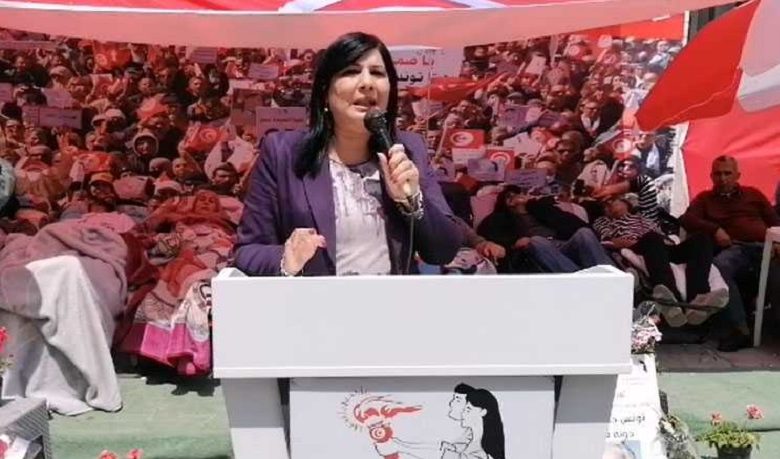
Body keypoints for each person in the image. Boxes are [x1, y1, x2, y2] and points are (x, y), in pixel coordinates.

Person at [234, 32, 461, 276]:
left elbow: (443, 252)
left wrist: (412, 201)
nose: (367, 83)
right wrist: (286, 258)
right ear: (325, 91)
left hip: (393, 299)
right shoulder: (283, 153)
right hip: (313, 299)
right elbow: (247, 251)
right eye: (351, 72)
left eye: (377, 73)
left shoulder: (408, 150)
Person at [680, 156, 780, 351]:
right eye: (718, 174)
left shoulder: (753, 194)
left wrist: (777, 241)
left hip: (766, 246)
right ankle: (740, 329)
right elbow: (686, 219)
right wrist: (715, 229)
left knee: (776, 272)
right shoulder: (705, 199)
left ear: (737, 175)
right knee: (720, 266)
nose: (723, 178)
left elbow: (774, 221)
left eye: (727, 173)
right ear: (711, 176)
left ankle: (774, 328)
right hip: (737, 249)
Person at [592, 196, 727, 326]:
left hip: (665, 245)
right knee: (652, 238)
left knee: (702, 239)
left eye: (613, 201)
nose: (610, 206)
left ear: (626, 203)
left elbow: (646, 187)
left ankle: (697, 299)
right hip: (639, 245)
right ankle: (670, 299)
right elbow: (610, 240)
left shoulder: (645, 216)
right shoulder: (603, 221)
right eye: (606, 206)